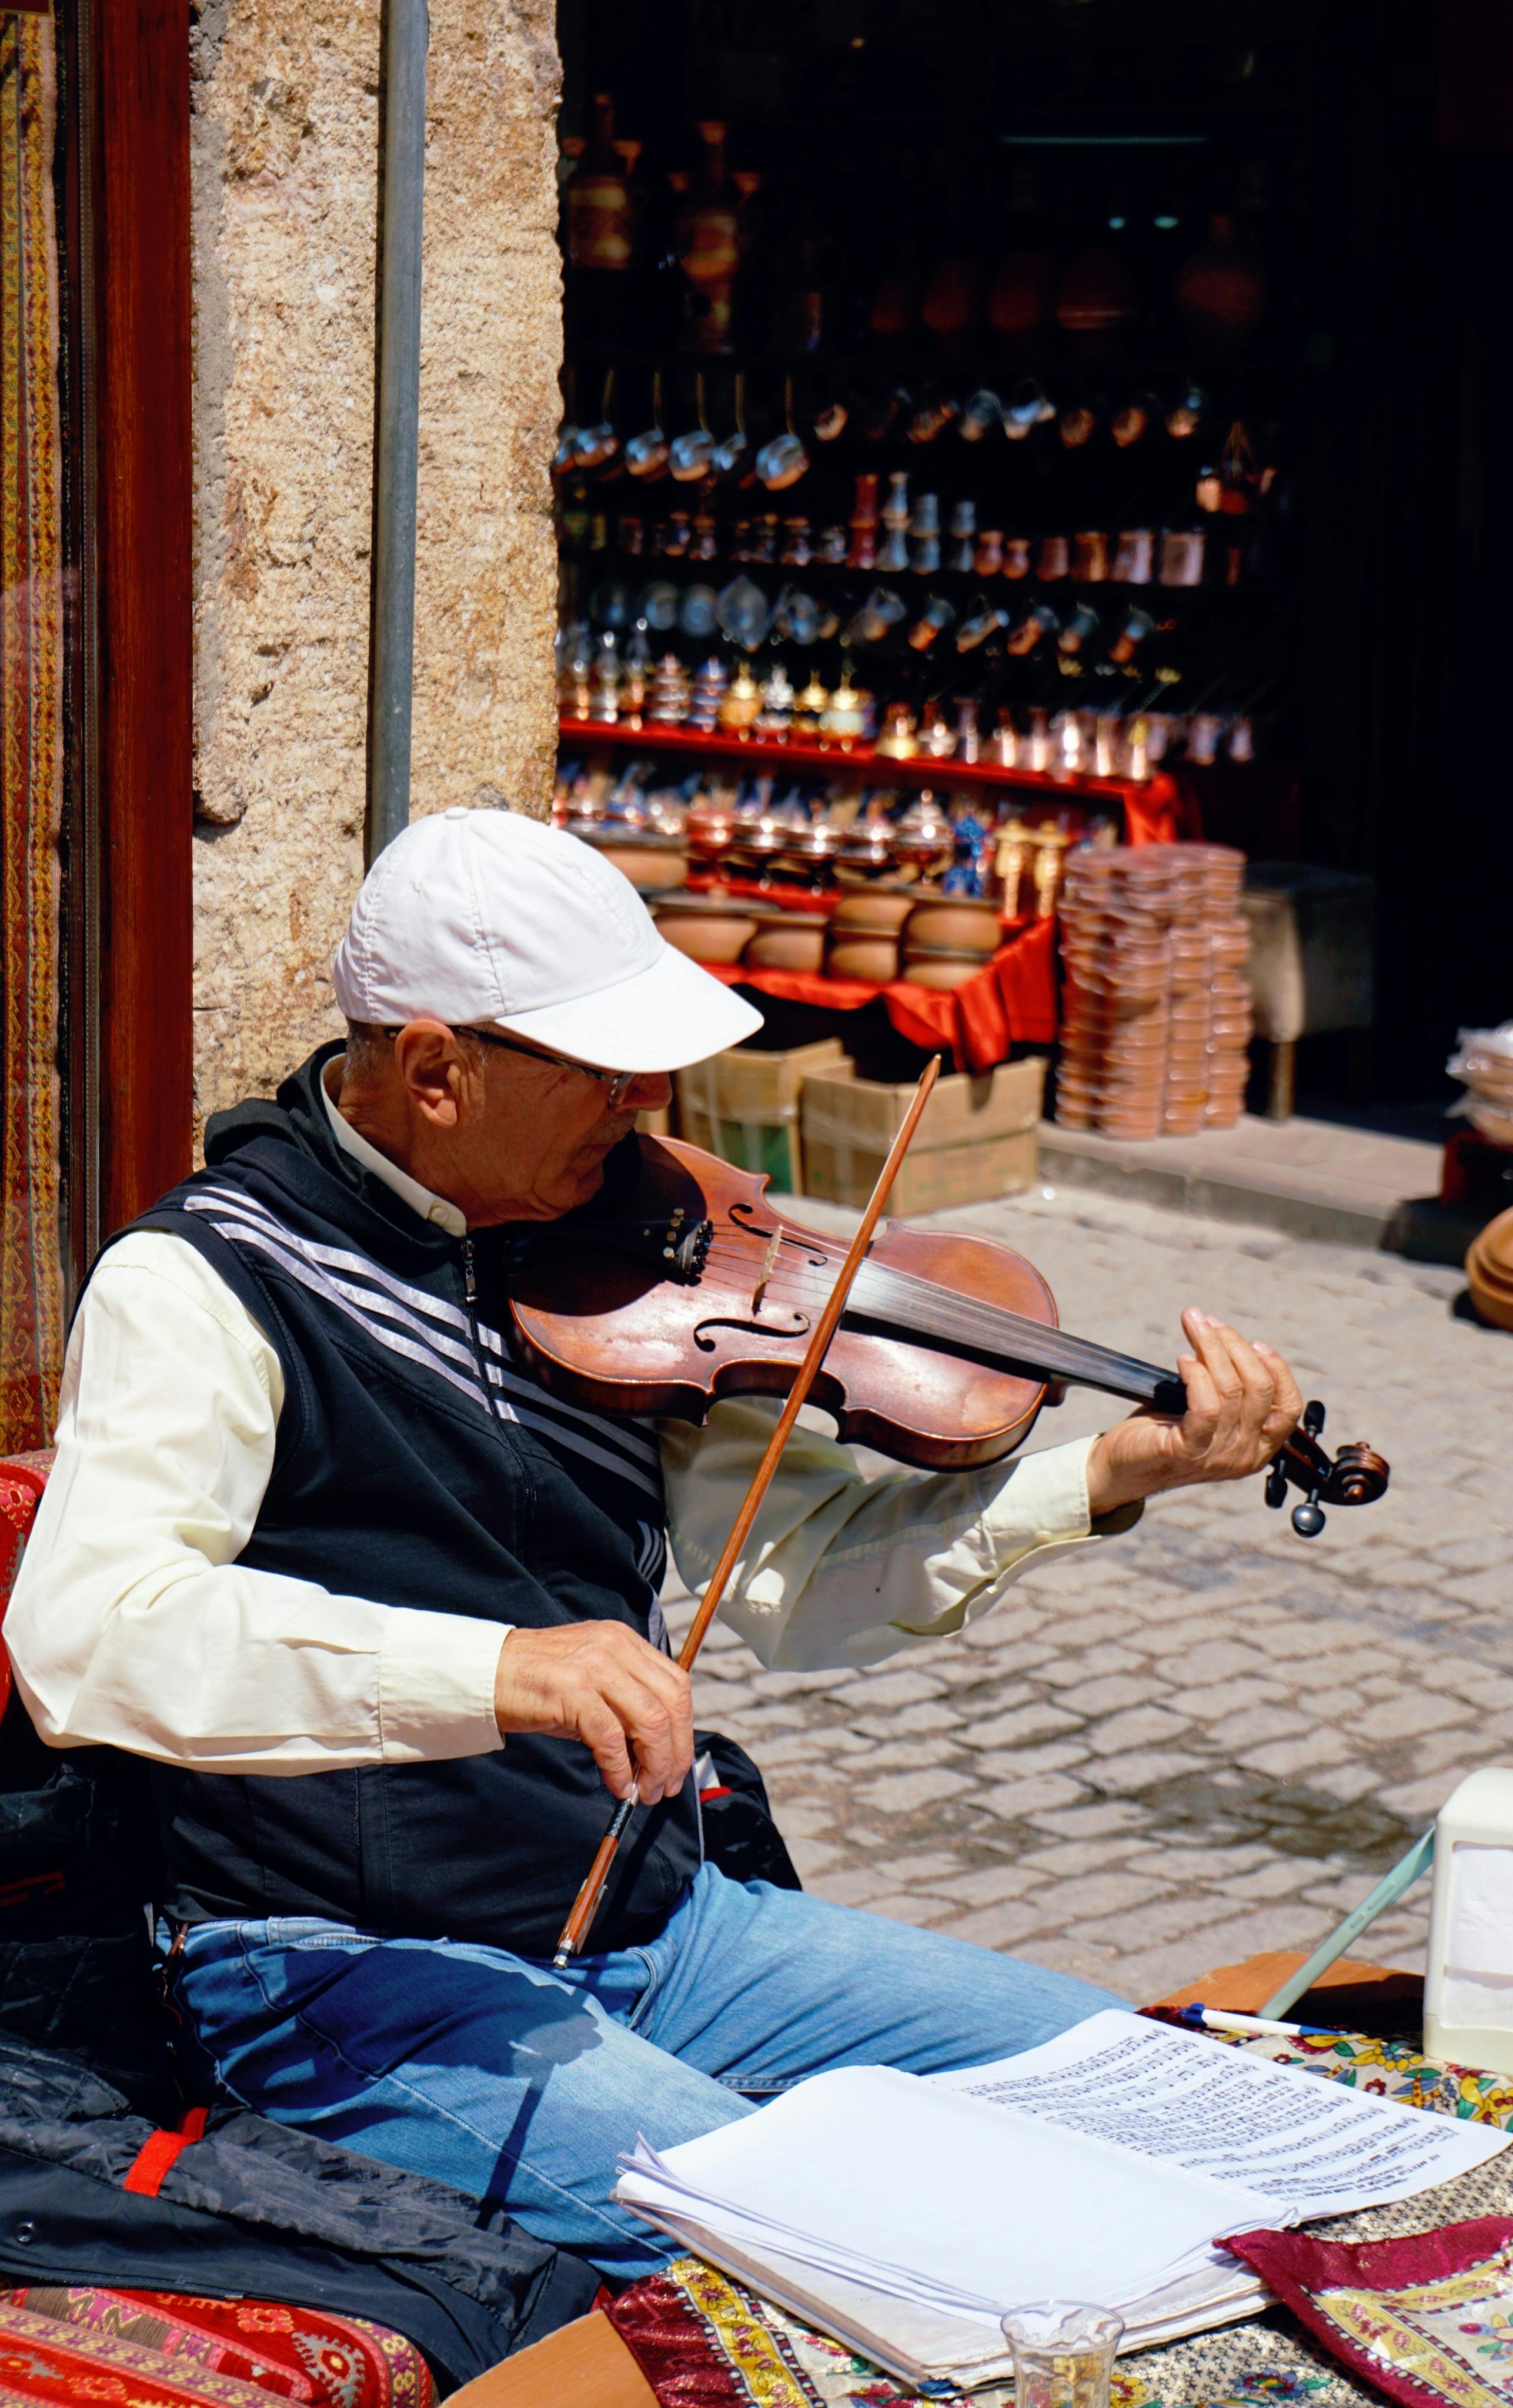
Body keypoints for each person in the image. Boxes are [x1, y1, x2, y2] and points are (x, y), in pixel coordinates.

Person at [7, 808, 1302, 2281]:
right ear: (436, 1068)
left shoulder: (629, 1252)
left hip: (662, 1925)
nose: (651, 1101)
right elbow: (91, 1635)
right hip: (338, 1968)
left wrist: (1102, 1473)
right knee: (849, 2240)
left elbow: (805, 1580)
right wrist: (502, 1669)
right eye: (605, 1073)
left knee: (1136, 2088)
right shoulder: (207, 1280)